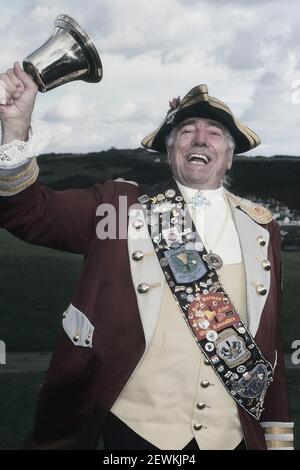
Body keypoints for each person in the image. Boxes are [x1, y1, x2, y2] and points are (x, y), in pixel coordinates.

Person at [0, 62, 294, 450]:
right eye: (186, 132)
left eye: (214, 133)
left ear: (229, 156)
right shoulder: (118, 207)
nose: (200, 139)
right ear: (170, 151)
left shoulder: (262, 227)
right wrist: (15, 127)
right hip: (131, 435)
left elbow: (267, 345)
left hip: (232, 437)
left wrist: (276, 436)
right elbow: (28, 211)